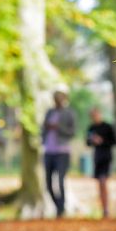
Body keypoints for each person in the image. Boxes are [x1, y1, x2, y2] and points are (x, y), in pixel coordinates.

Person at [42, 88, 76, 217]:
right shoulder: (49, 112)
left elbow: (72, 132)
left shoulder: (69, 113)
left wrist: (58, 127)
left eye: (60, 99)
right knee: (48, 182)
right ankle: (58, 206)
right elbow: (43, 128)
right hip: (49, 150)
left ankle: (62, 208)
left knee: (60, 180)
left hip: (62, 151)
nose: (57, 101)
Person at [85, 107, 116, 218]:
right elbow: (87, 142)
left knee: (103, 182)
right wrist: (92, 141)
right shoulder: (91, 128)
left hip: (106, 157)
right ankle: (104, 209)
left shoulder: (107, 127)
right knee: (100, 184)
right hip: (97, 157)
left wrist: (102, 141)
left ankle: (106, 208)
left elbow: (114, 141)